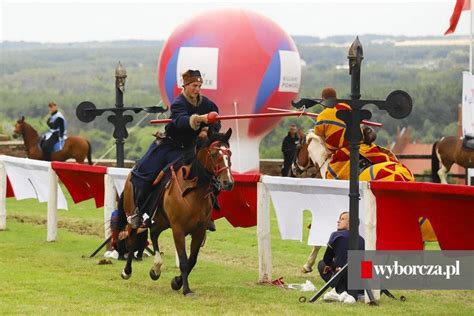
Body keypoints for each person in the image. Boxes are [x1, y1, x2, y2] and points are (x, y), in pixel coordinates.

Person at [128, 69, 221, 229]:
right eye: (193, 85)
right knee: (147, 174)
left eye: (199, 85)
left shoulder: (208, 104)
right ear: (184, 86)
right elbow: (180, 121)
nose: (197, 89)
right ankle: (141, 212)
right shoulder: (178, 103)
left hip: (191, 149)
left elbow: (216, 122)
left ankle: (208, 214)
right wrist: (199, 119)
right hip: (169, 146)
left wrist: (207, 130)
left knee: (211, 176)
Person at [314, 87, 405, 180]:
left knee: (331, 176)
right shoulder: (346, 107)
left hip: (344, 151)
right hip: (363, 146)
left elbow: (319, 136)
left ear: (323, 99)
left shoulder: (323, 115)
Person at [318, 211, 364, 304]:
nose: (338, 221)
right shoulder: (362, 240)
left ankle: (341, 292)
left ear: (351, 223)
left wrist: (332, 266)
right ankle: (353, 294)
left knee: (322, 264)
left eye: (342, 219)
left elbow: (327, 259)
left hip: (343, 276)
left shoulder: (336, 235)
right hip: (360, 283)